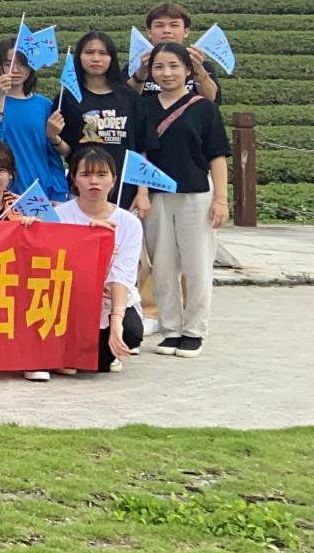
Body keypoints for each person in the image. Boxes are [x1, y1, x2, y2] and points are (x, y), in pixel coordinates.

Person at [139, 43, 230, 358]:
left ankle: (194, 331)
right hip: (156, 196)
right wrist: (141, 194)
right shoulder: (144, 107)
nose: (167, 73)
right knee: (162, 266)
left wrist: (221, 199)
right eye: (159, 67)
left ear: (188, 70)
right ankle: (171, 329)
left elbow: (217, 156)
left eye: (174, 66)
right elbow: (140, 154)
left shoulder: (204, 108)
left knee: (197, 265)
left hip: (195, 194)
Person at [55, 148, 146, 373]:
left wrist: (116, 322)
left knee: (130, 333)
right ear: (74, 179)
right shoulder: (59, 216)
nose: (94, 181)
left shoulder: (130, 223)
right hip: (69, 300)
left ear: (113, 180)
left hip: (108, 299)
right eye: (85, 175)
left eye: (102, 175)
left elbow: (122, 276)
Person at [57, 31, 149, 217]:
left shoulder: (128, 97)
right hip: (84, 188)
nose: (96, 58)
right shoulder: (67, 99)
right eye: (89, 52)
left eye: (103, 53)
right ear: (79, 57)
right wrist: (53, 136)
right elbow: (68, 150)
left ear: (112, 58)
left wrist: (142, 192)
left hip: (125, 188)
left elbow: (141, 148)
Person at [0, 36, 69, 202]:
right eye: (8, 63)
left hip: (40, 192)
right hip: (0, 193)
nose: (15, 69)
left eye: (22, 64)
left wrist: (58, 193)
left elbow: (52, 156)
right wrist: (0, 96)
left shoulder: (44, 105)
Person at [130, 1, 221, 103]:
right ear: (149, 32)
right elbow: (124, 101)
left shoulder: (201, 65)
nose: (166, 30)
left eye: (174, 25)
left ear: (186, 32)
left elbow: (212, 99)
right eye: (159, 25)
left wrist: (199, 70)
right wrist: (141, 73)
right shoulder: (135, 66)